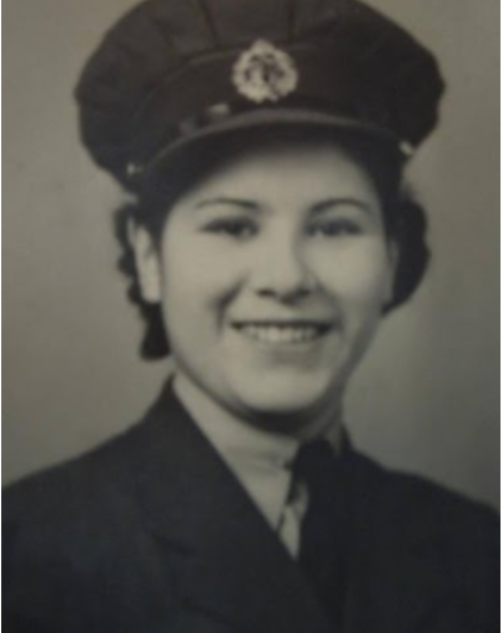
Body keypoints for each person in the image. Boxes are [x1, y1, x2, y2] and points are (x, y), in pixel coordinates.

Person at [3, 0, 498, 632]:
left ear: (392, 257)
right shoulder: (28, 557)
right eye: (233, 226)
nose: (287, 278)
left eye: (334, 226)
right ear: (148, 257)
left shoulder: (475, 549)